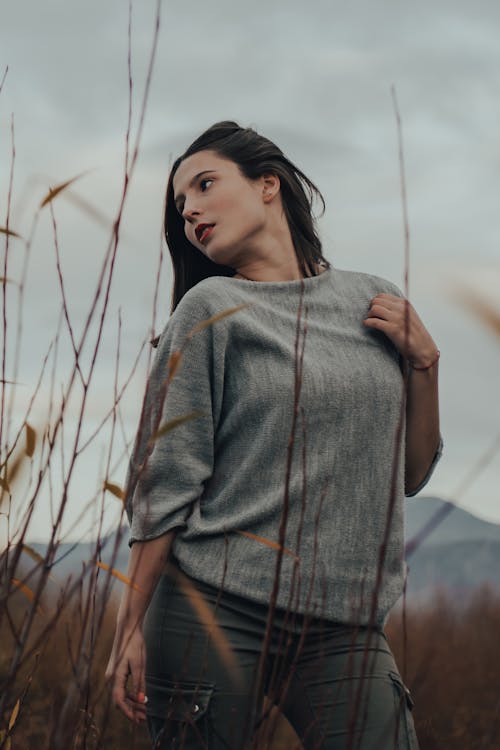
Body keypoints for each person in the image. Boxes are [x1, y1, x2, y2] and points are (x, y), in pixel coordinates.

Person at [105, 120, 443, 749]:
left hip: (344, 624)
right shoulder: (209, 309)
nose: (191, 212)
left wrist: (426, 365)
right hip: (212, 605)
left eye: (205, 185)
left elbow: (409, 475)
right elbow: (165, 482)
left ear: (268, 184)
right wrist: (129, 628)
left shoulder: (374, 302)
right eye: (181, 205)